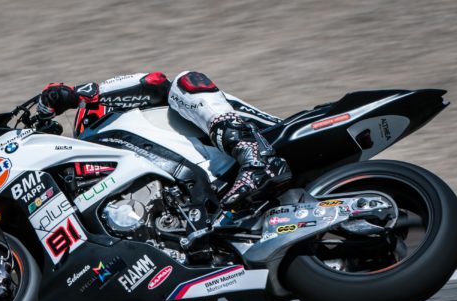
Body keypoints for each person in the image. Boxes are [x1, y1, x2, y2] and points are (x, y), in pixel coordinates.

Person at [36, 71, 291, 207]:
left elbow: (154, 82)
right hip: (222, 182)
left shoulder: (127, 112)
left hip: (272, 136)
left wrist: (77, 95)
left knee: (184, 82)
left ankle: (255, 156)